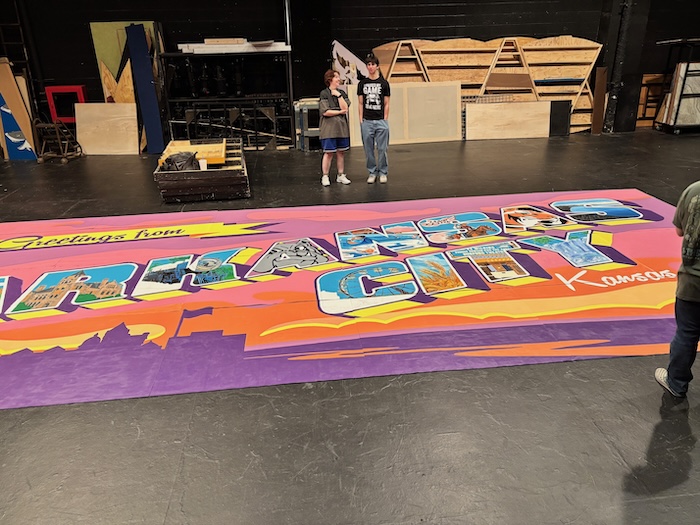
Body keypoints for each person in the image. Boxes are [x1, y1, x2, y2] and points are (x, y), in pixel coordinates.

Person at [655, 180, 700, 397]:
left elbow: (679, 231)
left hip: (693, 281)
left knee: (687, 333)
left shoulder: (694, 190)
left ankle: (676, 382)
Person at [357, 53, 391, 184]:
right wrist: (361, 120)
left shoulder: (384, 83)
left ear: (377, 66)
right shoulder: (362, 84)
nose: (370, 67)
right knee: (368, 149)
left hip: (381, 120)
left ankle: (383, 172)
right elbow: (360, 103)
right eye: (368, 64)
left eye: (373, 64)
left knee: (382, 149)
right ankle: (372, 172)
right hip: (367, 121)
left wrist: (385, 118)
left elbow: (387, 103)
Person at [318, 69, 351, 186]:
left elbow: (345, 108)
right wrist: (339, 112)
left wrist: (339, 96)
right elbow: (325, 112)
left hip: (341, 128)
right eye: (336, 77)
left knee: (341, 152)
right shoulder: (324, 93)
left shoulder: (342, 93)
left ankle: (341, 175)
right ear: (330, 79)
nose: (338, 79)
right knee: (328, 153)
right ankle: (325, 176)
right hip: (329, 129)